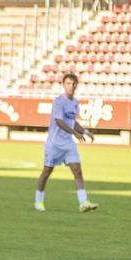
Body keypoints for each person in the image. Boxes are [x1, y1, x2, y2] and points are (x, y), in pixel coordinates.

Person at [35, 73, 98, 213]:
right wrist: (74, 133)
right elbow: (59, 121)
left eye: (74, 84)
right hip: (54, 143)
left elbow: (72, 122)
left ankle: (83, 202)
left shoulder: (75, 103)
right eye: (68, 83)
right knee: (47, 172)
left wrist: (85, 131)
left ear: (76, 85)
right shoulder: (59, 102)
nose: (71, 86)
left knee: (77, 171)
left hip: (68, 144)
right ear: (64, 85)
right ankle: (38, 201)